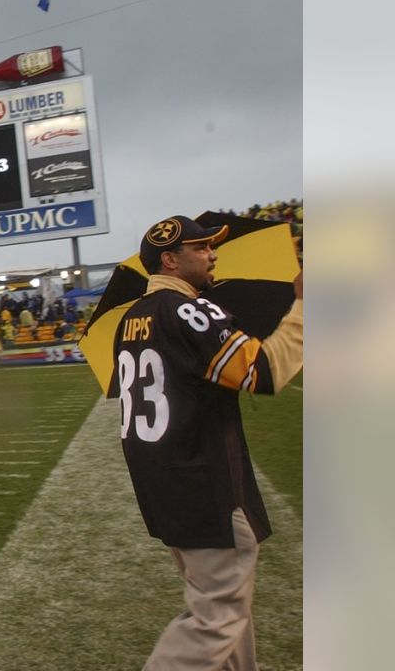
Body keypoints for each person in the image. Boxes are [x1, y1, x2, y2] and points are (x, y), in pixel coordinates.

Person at [111, 215, 303, 670]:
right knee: (217, 617)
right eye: (201, 248)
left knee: (230, 617)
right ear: (170, 260)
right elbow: (262, 372)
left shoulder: (131, 319)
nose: (213, 253)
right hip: (206, 487)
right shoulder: (187, 310)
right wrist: (303, 307)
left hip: (166, 487)